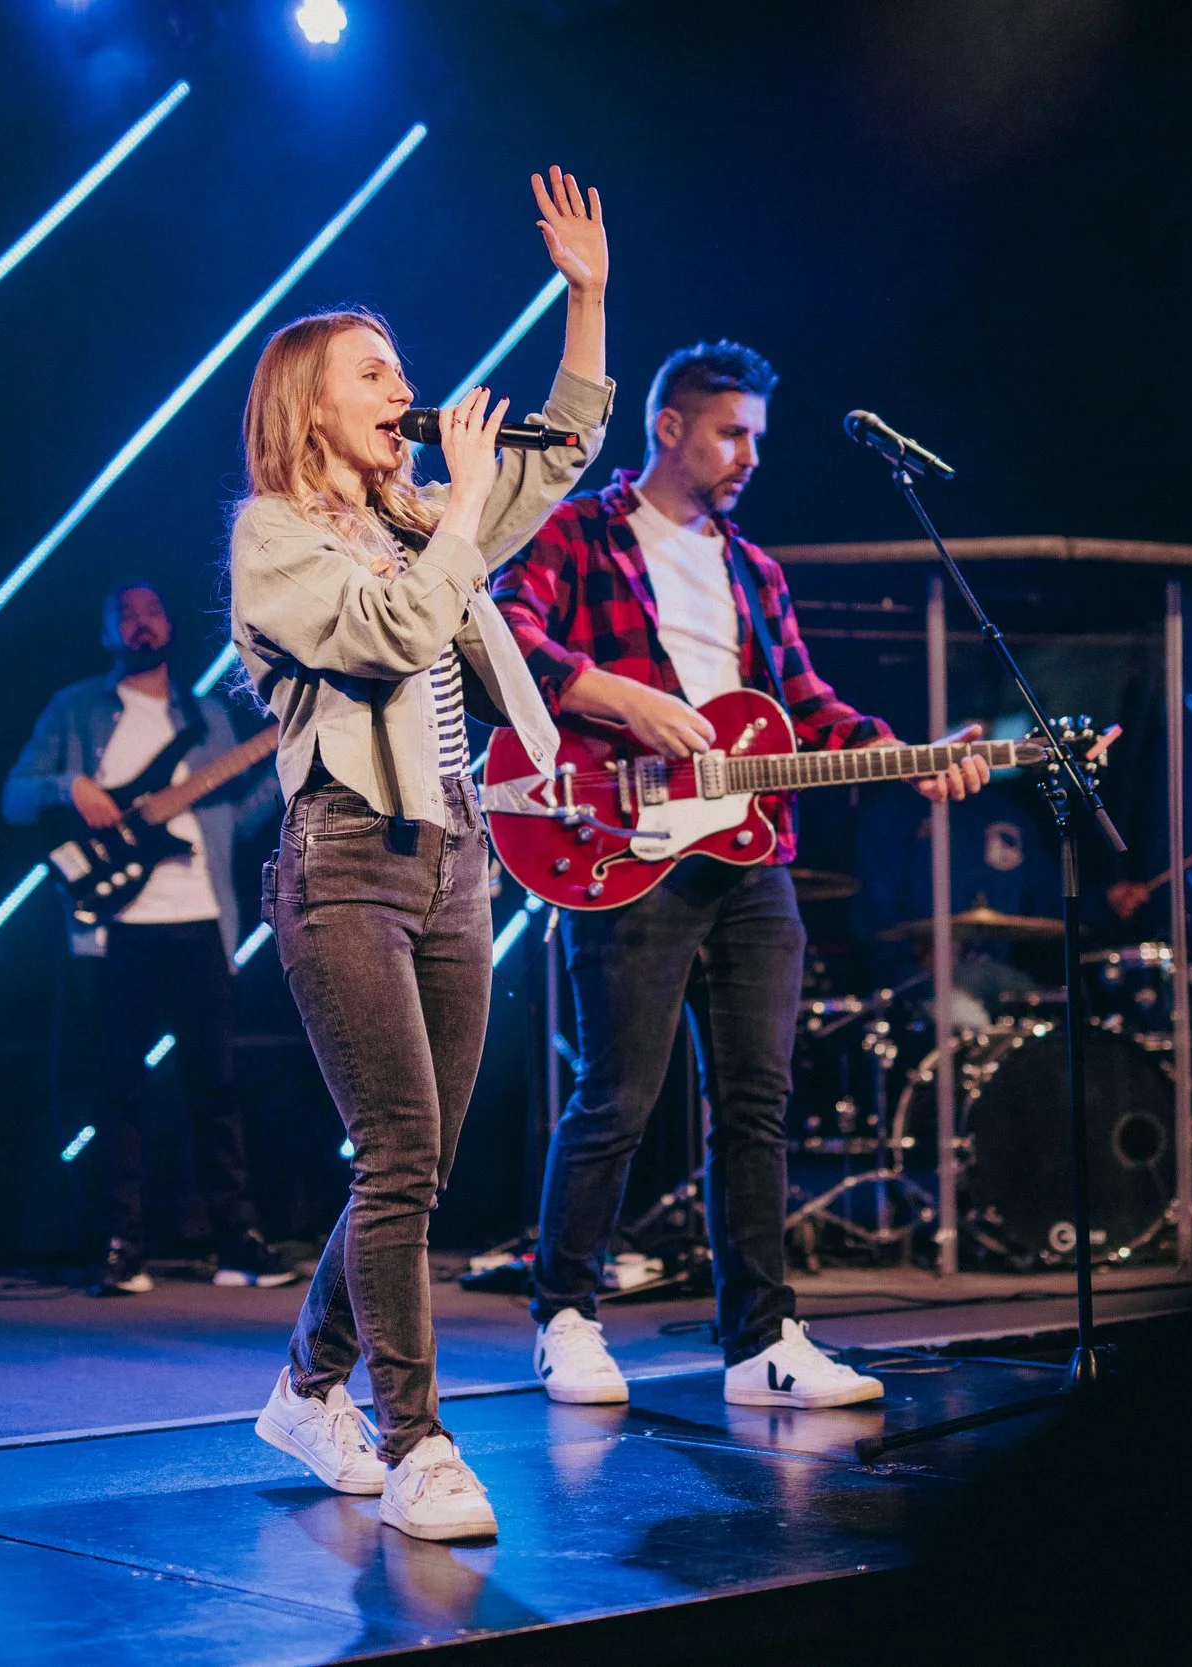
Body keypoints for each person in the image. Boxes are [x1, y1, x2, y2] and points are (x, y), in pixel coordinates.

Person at [493, 340, 990, 1411]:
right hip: (621, 840)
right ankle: (565, 1313)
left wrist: (910, 752)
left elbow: (806, 706)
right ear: (668, 427)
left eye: (757, 436)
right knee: (617, 1095)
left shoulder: (752, 569)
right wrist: (619, 698)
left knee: (755, 1101)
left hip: (750, 854)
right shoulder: (579, 533)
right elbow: (501, 634)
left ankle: (760, 1339)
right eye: (731, 431)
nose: (749, 455)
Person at [229, 168, 612, 1541]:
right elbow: (392, 634)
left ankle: (305, 1383)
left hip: (456, 854)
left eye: (400, 369)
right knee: (397, 1149)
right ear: (310, 406)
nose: (406, 389)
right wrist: (455, 516)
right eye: (374, 374)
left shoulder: (417, 517)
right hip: (340, 863)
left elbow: (559, 451)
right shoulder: (272, 540)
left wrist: (588, 295)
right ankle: (418, 1440)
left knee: (420, 1161)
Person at [3, 582, 287, 1295]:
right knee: (118, 1087)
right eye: (123, 612)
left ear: (169, 624)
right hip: (115, 928)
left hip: (201, 921)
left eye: (152, 610)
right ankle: (119, 1241)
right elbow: (14, 794)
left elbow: (241, 818)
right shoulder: (76, 709)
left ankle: (237, 1238)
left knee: (216, 1085)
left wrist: (291, 768)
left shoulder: (212, 718)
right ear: (107, 632)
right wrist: (72, 787)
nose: (141, 621)